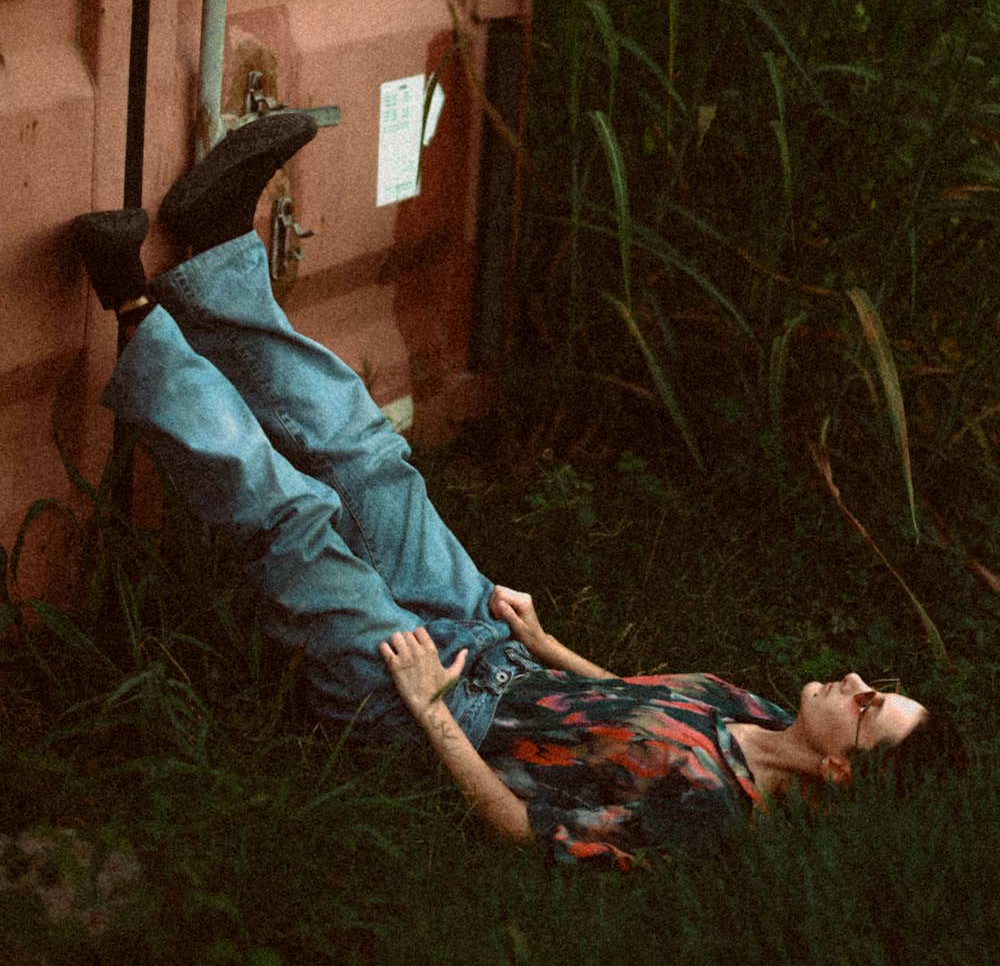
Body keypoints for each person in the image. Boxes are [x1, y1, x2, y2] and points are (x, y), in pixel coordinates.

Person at [71, 116, 930, 870]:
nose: (856, 681)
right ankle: (218, 255)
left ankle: (132, 307)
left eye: (869, 707)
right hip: (491, 645)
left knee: (300, 520)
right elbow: (626, 703)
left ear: (840, 772)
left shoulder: (705, 817)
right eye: (876, 684)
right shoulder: (755, 712)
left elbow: (523, 827)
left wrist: (430, 711)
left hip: (425, 710)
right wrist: (549, 645)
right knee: (374, 460)